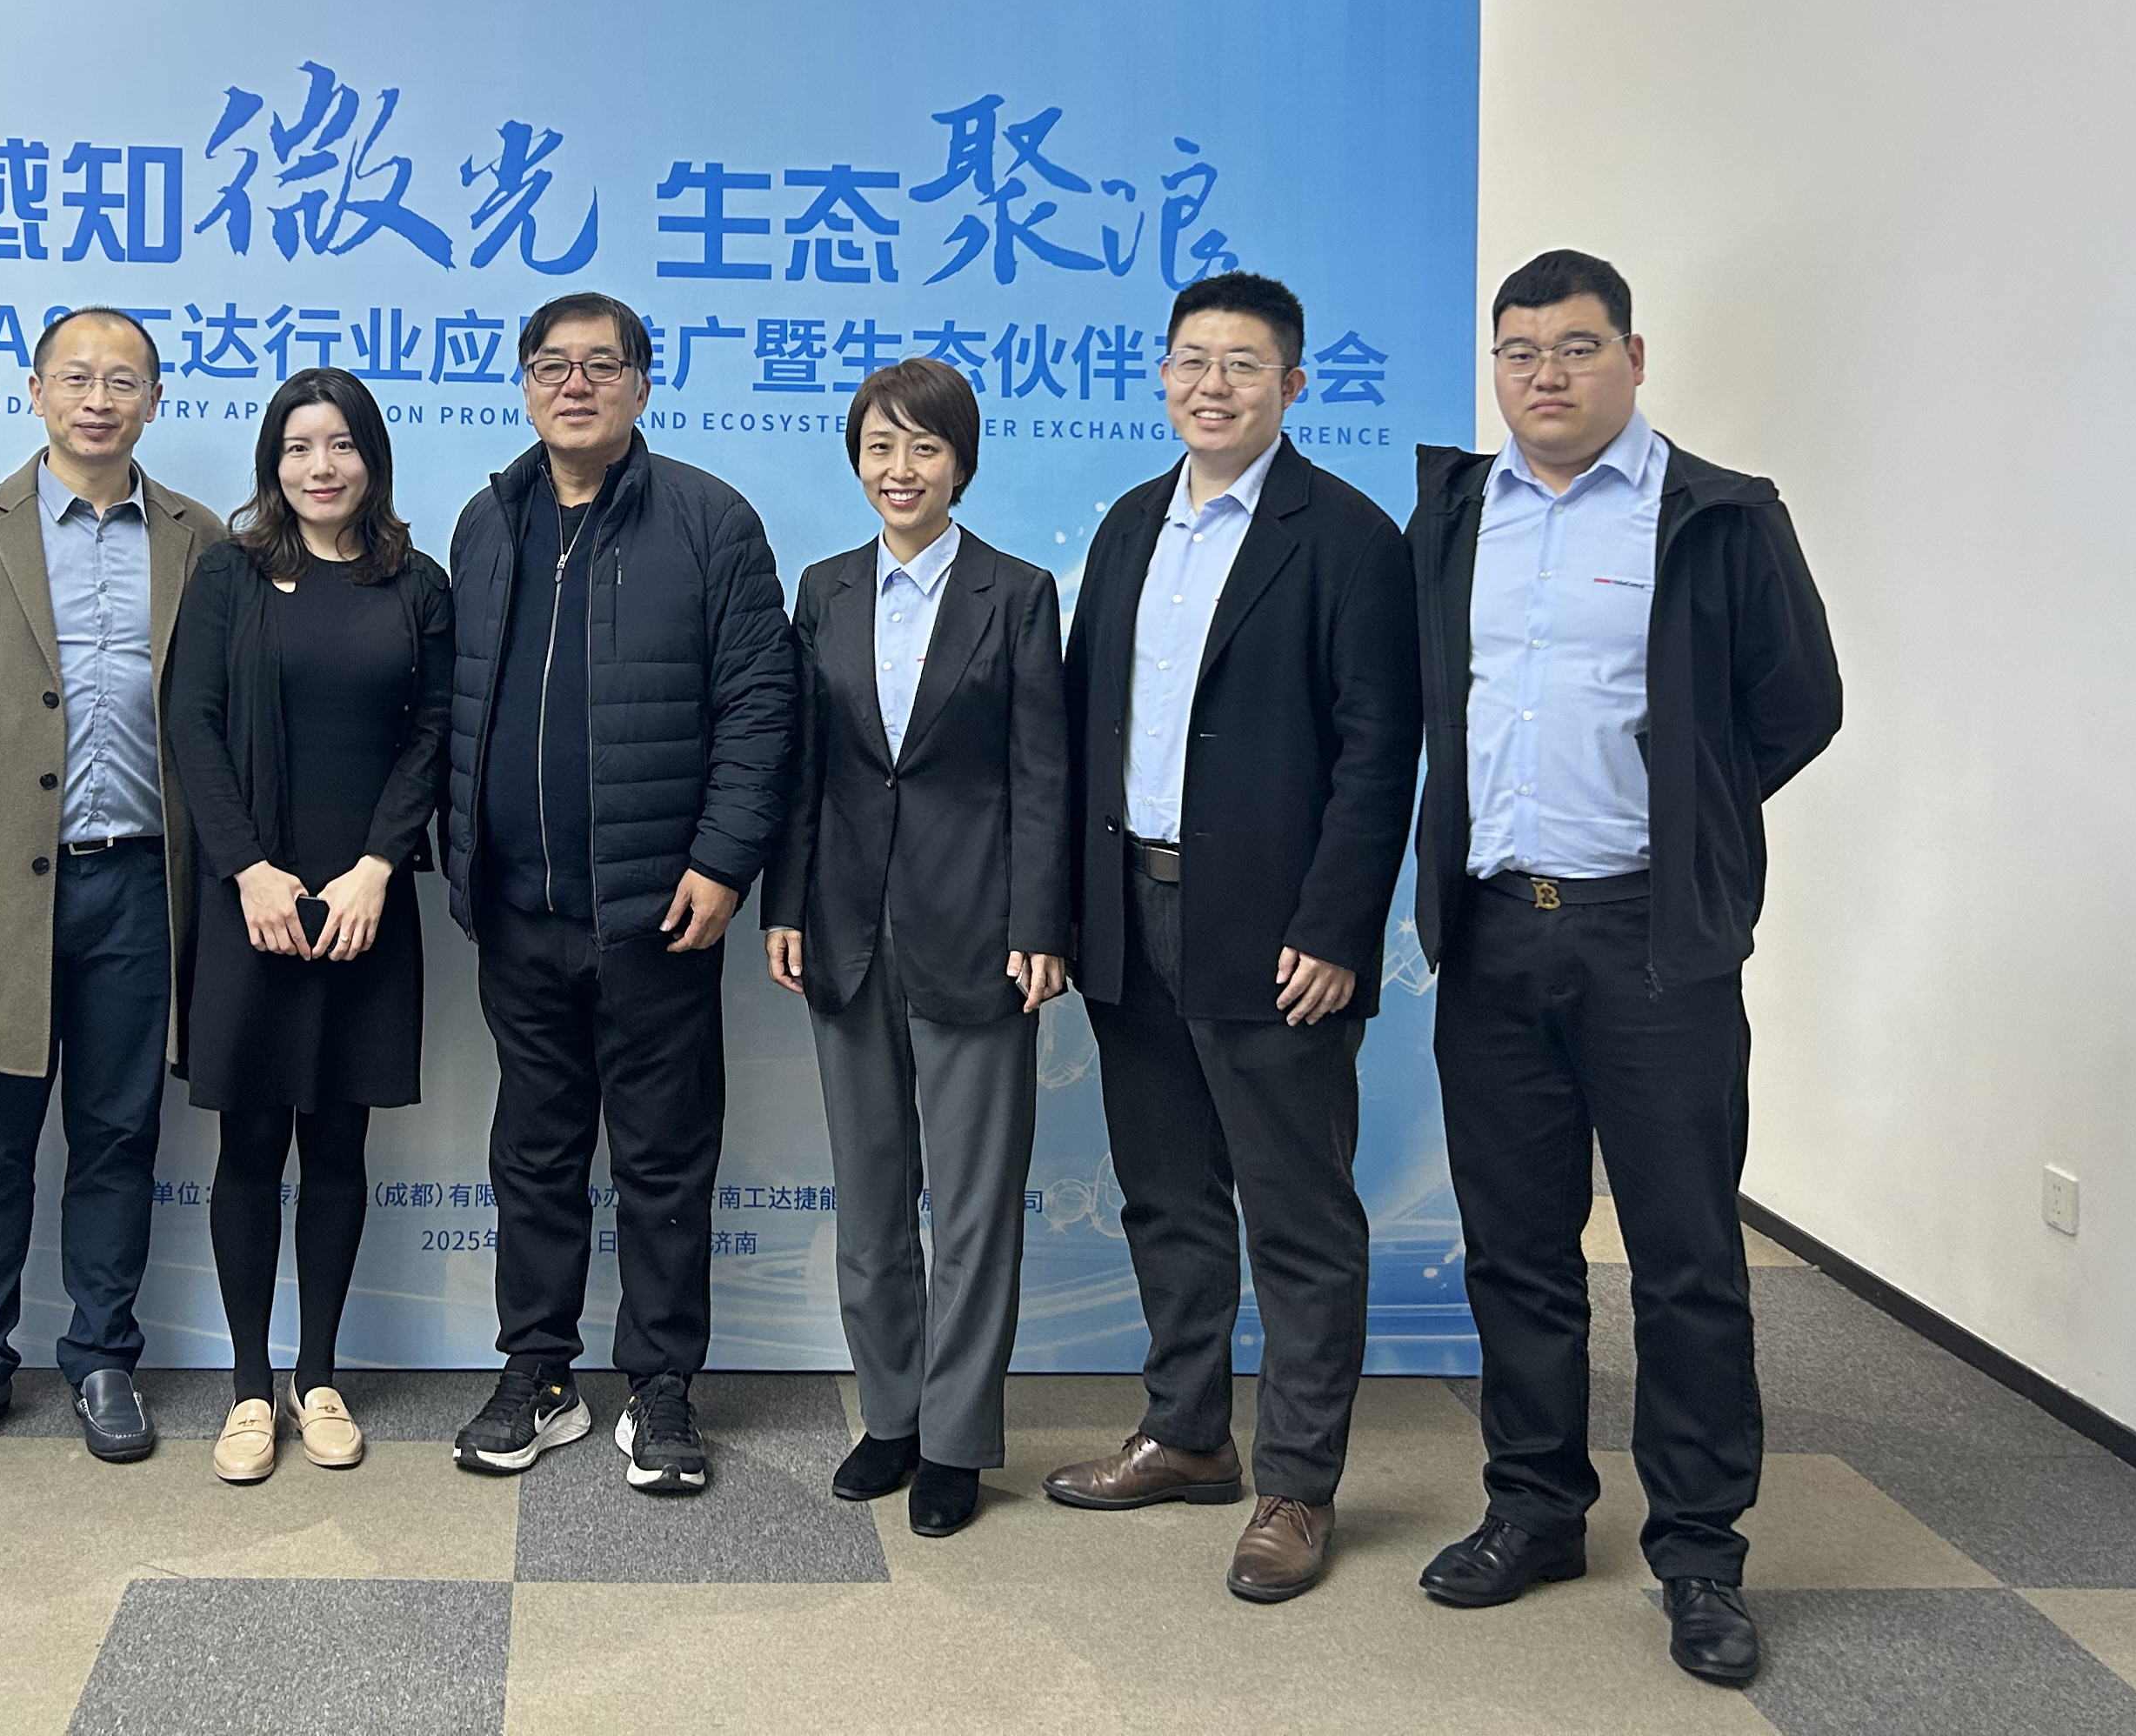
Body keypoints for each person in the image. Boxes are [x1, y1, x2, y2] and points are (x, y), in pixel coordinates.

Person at [1408, 250, 1840, 1689]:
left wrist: (1693, 820)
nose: (1545, 373)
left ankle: (1700, 1552)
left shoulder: (1717, 514)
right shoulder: (1456, 512)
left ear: (1634, 359)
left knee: (1683, 1256)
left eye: (1576, 346)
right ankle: (1534, 1507)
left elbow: (1796, 703)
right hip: (1493, 931)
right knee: (1515, 1246)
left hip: (1653, 938)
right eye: (1518, 350)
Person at [1050, 272, 1421, 1605]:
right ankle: (1189, 1433)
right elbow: (1083, 728)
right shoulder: (1131, 525)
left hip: (1275, 935)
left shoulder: (1350, 538)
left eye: (1245, 364)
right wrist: (1068, 911)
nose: (1214, 385)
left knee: (1299, 1213)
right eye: (1193, 360)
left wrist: (1336, 927)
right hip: (1130, 912)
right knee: (1167, 1193)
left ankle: (1298, 1486)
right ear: (1163, 375)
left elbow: (1380, 752)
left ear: (1293, 385)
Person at [443, 290, 793, 1495]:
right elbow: (457, 702)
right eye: (552, 365)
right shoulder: (489, 522)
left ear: (643, 385)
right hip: (518, 910)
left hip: (658, 912)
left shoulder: (709, 520)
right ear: (525, 384)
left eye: (601, 365)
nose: (575, 385)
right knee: (533, 1155)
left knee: (663, 1160)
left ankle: (660, 1386)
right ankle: (538, 1373)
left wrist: (724, 860)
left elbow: (761, 705)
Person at [0, 308, 216, 1469]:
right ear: (35, 393)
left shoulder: (199, 539)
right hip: (0, 888)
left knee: (119, 1134)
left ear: (154, 401)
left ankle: (103, 1356)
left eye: (123, 381)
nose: (98, 399)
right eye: (76, 377)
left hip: (144, 883)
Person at [761, 357, 1069, 1539]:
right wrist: (786, 904)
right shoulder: (826, 589)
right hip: (844, 929)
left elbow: (1043, 775)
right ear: (856, 460)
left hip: (978, 933)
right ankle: (889, 1416)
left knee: (976, 1207)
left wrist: (1040, 926)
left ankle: (955, 1437)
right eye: (880, 447)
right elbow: (803, 768)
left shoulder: (1017, 592)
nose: (900, 470)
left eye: (924, 448)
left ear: (961, 463)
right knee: (871, 1196)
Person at [167, 369, 454, 1485]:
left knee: (338, 1142)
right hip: (252, 900)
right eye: (297, 448)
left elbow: (432, 734)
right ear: (272, 464)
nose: (319, 467)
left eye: (339, 445)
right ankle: (249, 1386)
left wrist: (380, 867)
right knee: (249, 1145)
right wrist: (248, 871)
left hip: (365, 901)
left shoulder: (416, 583)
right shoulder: (229, 573)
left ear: (371, 458)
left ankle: (318, 1376)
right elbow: (191, 725)